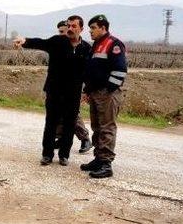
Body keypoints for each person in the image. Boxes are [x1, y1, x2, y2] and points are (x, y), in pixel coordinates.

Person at [13, 16, 91, 166]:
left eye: (74, 26)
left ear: (81, 29)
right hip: (54, 91)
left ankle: (64, 155)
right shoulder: (58, 41)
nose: (70, 28)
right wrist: (25, 41)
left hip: (73, 94)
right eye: (69, 25)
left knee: (69, 124)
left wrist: (87, 90)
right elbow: (41, 43)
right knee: (51, 123)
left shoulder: (86, 48)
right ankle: (47, 154)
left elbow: (88, 72)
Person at [80, 14, 128, 178]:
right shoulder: (97, 45)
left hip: (107, 94)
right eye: (90, 28)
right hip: (95, 93)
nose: (90, 31)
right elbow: (92, 71)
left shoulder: (113, 44)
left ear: (103, 28)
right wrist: (88, 90)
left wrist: (108, 90)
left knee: (107, 127)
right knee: (97, 127)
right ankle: (98, 159)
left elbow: (120, 70)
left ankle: (106, 164)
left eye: (93, 28)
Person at [54, 21, 92, 154]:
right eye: (60, 32)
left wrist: (86, 90)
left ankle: (85, 138)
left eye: (64, 31)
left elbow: (88, 71)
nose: (62, 34)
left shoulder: (83, 47)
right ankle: (60, 138)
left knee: (73, 114)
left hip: (74, 86)